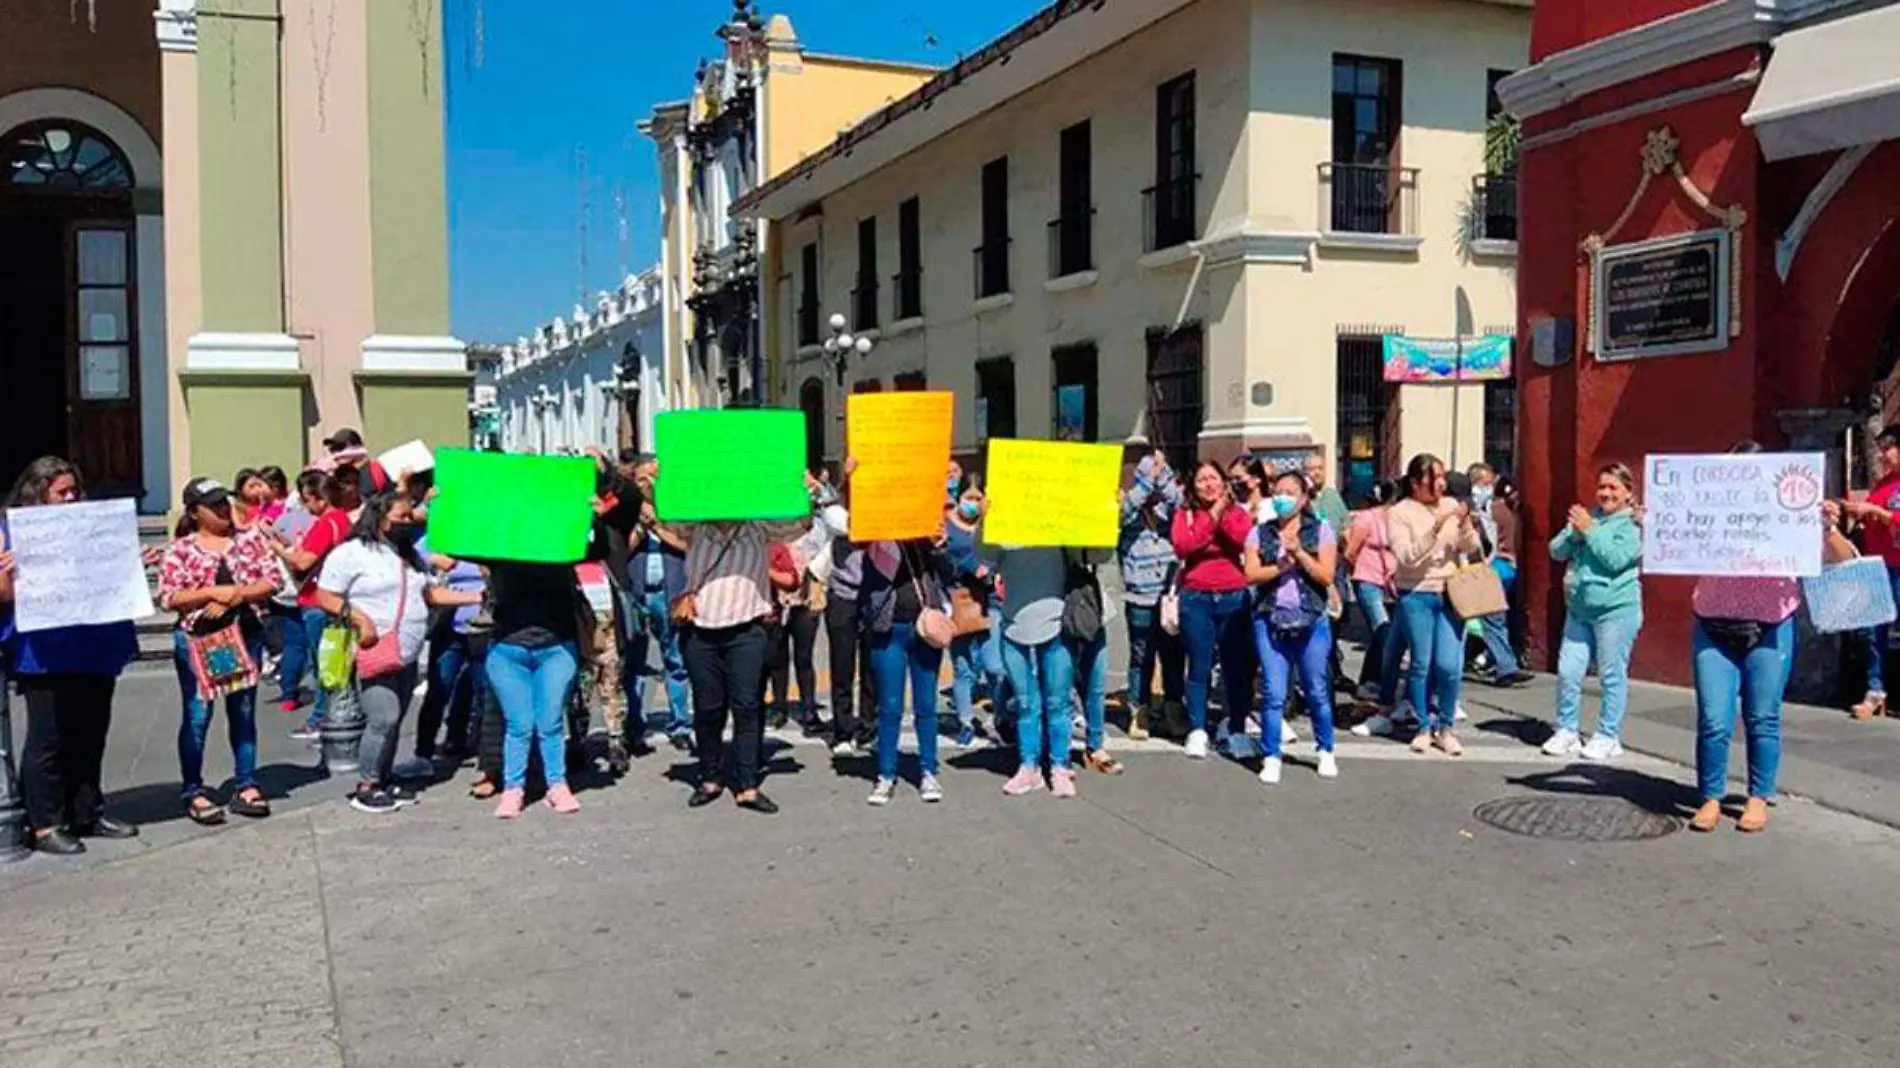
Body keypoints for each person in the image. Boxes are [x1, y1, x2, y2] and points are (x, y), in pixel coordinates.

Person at [1689, 447, 1850, 833]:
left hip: (1770, 626)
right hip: (1712, 623)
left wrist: (1827, 526)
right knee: (1713, 718)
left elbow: (1841, 558)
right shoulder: (1709, 510)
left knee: (1763, 716)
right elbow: (1675, 543)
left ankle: (1758, 797)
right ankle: (1710, 797)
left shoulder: (1792, 512)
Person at [0, 457, 142, 855]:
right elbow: (4, 596)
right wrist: (6, 573)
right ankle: (45, 823)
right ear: (37, 492)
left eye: (74, 490)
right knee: (49, 738)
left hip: (95, 644)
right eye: (61, 492)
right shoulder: (12, 528)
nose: (71, 497)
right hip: (45, 651)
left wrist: (131, 566)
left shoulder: (94, 526)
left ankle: (87, 811)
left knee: (91, 731)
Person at [315, 493, 469, 814]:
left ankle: (384, 779)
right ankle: (367, 784)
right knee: (382, 717)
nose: (407, 522)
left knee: (395, 719)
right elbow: (325, 595)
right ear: (381, 517)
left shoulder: (409, 556)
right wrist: (359, 618)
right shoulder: (352, 553)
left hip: (407, 651)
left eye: (410, 517)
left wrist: (474, 597)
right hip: (376, 647)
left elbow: (430, 593)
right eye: (401, 517)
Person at [157, 477, 283, 825]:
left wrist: (239, 594)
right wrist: (212, 593)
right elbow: (169, 596)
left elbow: (274, 579)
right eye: (213, 506)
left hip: (244, 635)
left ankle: (246, 783)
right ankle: (193, 789)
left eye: (224, 503)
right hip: (201, 639)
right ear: (196, 513)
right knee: (198, 715)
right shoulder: (181, 549)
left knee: (243, 711)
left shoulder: (249, 541)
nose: (223, 511)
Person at [677, 507, 813, 815]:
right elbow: (657, 516)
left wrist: (812, 492)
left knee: (748, 706)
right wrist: (651, 484)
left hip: (747, 629)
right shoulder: (693, 525)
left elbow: (799, 525)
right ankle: (710, 776)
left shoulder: (759, 525)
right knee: (708, 707)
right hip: (701, 629)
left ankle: (747, 784)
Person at [1542, 462, 1646, 762]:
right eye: (1602, 487)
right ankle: (1566, 729)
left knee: (1611, 675)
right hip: (1579, 609)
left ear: (1628, 492)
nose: (1605, 493)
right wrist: (1574, 534)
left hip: (1616, 610)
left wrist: (1590, 530)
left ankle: (1608, 735)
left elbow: (1616, 559)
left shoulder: (1634, 525)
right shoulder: (1589, 517)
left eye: (1613, 487)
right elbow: (1555, 551)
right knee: (1568, 671)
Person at [1244, 469, 1340, 783]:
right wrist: (1280, 566)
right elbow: (1251, 573)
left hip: (1311, 619)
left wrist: (1299, 552)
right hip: (1270, 618)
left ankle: (1325, 749)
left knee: (1316, 689)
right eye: (1279, 492)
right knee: (1273, 691)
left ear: (1303, 497)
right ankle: (1271, 755)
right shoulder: (1260, 532)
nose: (1284, 497)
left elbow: (1326, 576)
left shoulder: (1321, 530)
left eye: (1291, 492)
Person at [1388, 453, 1483, 756]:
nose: (1441, 484)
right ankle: (1422, 727)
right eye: (1434, 478)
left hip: (1450, 591)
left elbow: (1471, 548)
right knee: (1420, 662)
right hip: (1416, 592)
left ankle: (1446, 726)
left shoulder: (1450, 506)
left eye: (1443, 476)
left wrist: (1466, 524)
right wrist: (1435, 527)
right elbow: (1406, 557)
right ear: (1416, 483)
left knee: (1450, 665)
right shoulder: (1400, 512)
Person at [271, 462, 370, 739]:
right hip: (335, 599)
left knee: (324, 664)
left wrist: (279, 548)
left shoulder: (326, 524)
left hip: (319, 600)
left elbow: (304, 560)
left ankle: (321, 718)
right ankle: (342, 713)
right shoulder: (343, 521)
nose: (304, 506)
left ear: (320, 498)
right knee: (336, 661)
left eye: (307, 500)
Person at [484, 560, 586, 818]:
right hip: (507, 648)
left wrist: (591, 520)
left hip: (555, 646)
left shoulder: (562, 543)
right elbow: (458, 543)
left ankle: (557, 785)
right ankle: (513, 788)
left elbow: (600, 547)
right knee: (519, 724)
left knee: (550, 721)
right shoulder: (499, 546)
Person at [1170, 461, 1255, 760]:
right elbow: (1184, 546)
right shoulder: (1185, 513)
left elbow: (1243, 541)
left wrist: (1223, 513)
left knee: (1236, 667)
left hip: (1233, 594)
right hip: (1196, 597)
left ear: (1224, 482)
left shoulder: (1237, 513)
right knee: (1199, 665)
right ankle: (1197, 728)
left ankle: (1235, 727)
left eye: (1214, 478)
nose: (1208, 485)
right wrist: (1212, 516)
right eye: (1202, 479)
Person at [860, 537, 955, 805]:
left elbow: (950, 573)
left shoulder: (926, 538)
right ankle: (886, 773)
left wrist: (938, 548)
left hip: (926, 627)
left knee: (926, 704)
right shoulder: (876, 539)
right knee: (890, 706)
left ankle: (928, 769)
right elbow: (866, 577)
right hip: (889, 629)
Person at [996, 546, 1082, 797]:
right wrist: (982, 521)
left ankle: (1059, 765)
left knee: (1058, 702)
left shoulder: (1062, 524)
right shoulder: (1004, 522)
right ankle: (1029, 767)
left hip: (1055, 622)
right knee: (1025, 703)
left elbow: (1097, 554)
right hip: (1013, 624)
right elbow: (985, 555)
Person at [1120, 451, 1185, 740]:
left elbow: (1181, 501)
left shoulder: (1172, 515)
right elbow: (1122, 510)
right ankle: (1139, 710)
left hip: (1170, 596)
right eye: (1149, 478)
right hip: (1139, 599)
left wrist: (1164, 478)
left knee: (1173, 655)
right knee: (1140, 656)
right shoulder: (1129, 513)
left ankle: (1173, 708)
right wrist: (1146, 481)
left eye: (1159, 478)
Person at [943, 473, 1005, 747]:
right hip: (960, 600)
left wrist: (991, 570)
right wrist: (969, 566)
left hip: (991, 600)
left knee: (995, 665)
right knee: (963, 666)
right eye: (969, 498)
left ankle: (1001, 718)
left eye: (978, 498)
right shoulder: (947, 526)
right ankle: (966, 721)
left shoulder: (992, 524)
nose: (974, 503)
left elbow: (1003, 555)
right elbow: (943, 561)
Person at [1843, 429, 1900, 718]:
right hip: (1879, 565)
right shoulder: (1884, 483)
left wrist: (1875, 511)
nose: (1881, 456)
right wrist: (1860, 512)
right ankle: (1875, 690)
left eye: (1887, 449)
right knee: (1873, 628)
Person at [821, 480, 878, 756]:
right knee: (842, 666)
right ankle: (842, 730)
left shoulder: (884, 511)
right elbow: (849, 526)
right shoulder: (835, 512)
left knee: (872, 666)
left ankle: (868, 728)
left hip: (874, 597)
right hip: (842, 596)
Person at [265, 469, 325, 714]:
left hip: (288, 592)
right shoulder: (320, 522)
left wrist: (277, 546)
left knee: (293, 643)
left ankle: (289, 693)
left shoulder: (284, 521)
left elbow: (273, 548)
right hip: (314, 590)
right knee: (316, 650)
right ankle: (319, 702)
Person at [1345, 481, 1402, 713]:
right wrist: (1355, 574)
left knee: (1388, 635)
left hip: (1393, 582)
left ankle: (1380, 680)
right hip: (1368, 578)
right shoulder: (1367, 518)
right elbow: (1350, 551)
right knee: (1383, 629)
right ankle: (1370, 680)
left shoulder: (1401, 521)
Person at [1476, 474, 1532, 687]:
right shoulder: (1517, 510)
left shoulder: (1491, 509)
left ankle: (1504, 665)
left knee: (1491, 620)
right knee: (1508, 619)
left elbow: (1484, 542)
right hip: (1514, 568)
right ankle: (1505, 659)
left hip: (1495, 567)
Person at [765, 537, 821, 730]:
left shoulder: (816, 531)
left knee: (804, 657)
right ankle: (779, 706)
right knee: (777, 660)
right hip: (777, 602)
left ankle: (809, 707)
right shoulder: (773, 532)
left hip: (805, 602)